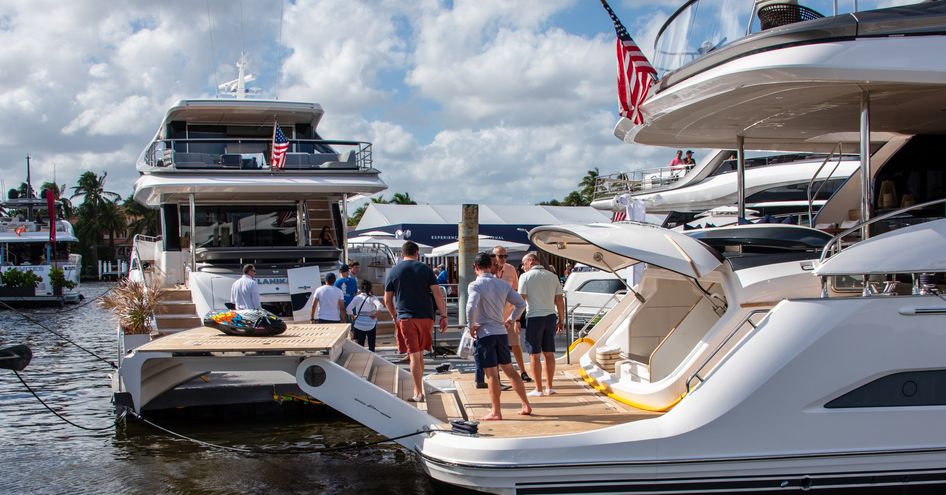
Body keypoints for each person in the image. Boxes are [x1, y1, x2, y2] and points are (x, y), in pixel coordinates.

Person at [467, 252, 532, 421]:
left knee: (491, 374)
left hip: (485, 334)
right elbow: (521, 303)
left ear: (475, 268)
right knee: (510, 370)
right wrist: (510, 319)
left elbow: (470, 307)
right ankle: (525, 404)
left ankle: (496, 411)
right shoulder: (502, 284)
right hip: (501, 332)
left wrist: (471, 325)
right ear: (491, 266)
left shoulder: (475, 285)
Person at [384, 241, 448, 402]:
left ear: (402, 253)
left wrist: (394, 316)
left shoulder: (394, 271)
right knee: (420, 355)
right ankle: (419, 389)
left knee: (413, 356)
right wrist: (444, 316)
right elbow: (438, 295)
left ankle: (418, 393)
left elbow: (387, 300)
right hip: (426, 317)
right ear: (417, 253)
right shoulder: (426, 269)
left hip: (406, 317)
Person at [518, 252, 565, 396]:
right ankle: (549, 387)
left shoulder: (525, 277)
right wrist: (561, 319)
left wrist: (517, 319)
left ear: (530, 262)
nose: (522, 267)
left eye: (523, 264)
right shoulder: (553, 276)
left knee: (534, 354)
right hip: (550, 316)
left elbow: (521, 300)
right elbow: (559, 300)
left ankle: (538, 389)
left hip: (534, 317)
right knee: (549, 353)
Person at [347, 279, 384, 351]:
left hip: (359, 324)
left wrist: (352, 316)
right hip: (371, 324)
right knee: (371, 344)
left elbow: (348, 309)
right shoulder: (372, 298)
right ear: (370, 288)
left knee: (360, 345)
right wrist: (375, 315)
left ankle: (361, 359)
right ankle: (372, 357)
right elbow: (380, 306)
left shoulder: (357, 298)